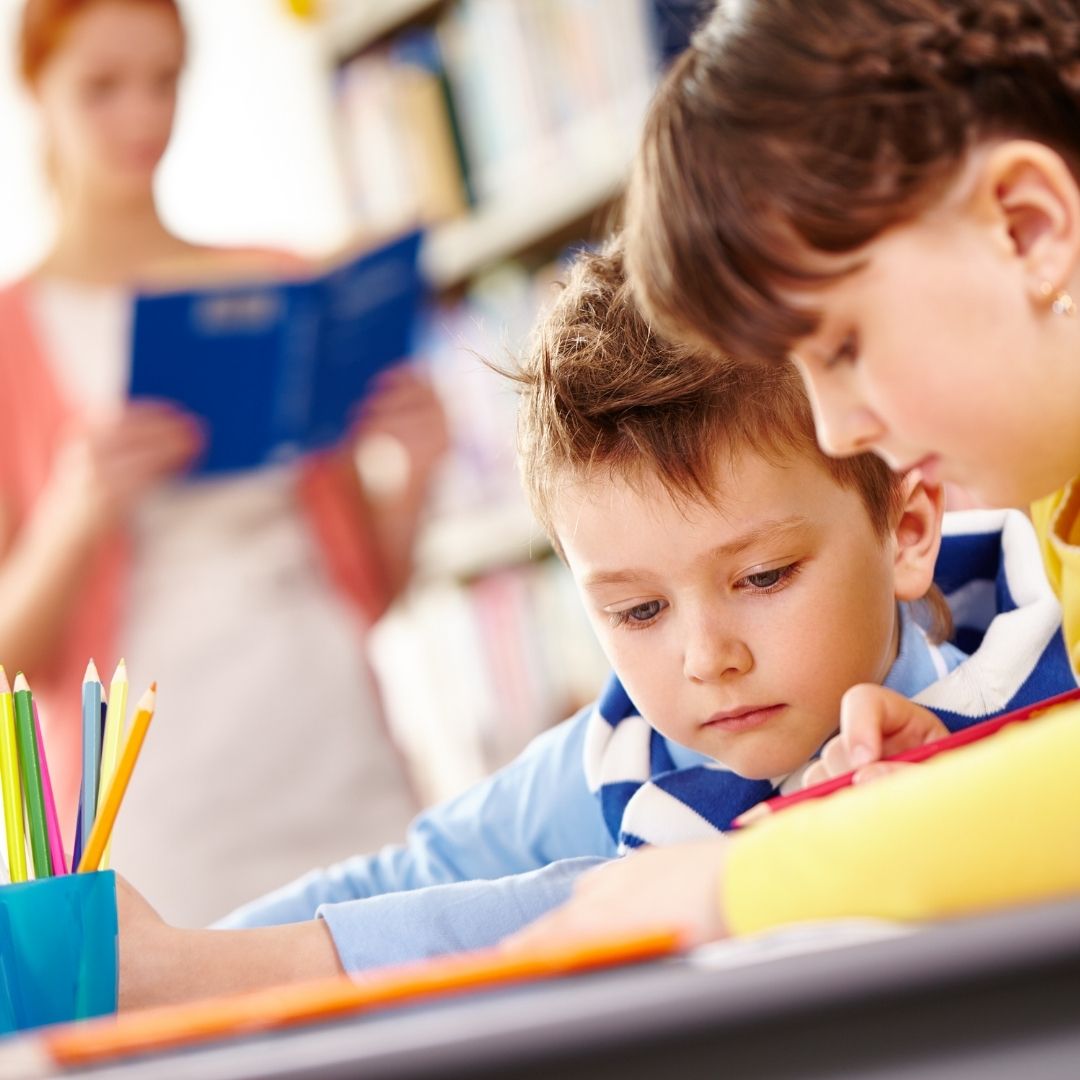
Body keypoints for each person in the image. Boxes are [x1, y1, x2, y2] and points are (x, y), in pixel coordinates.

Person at [115, 243, 1067, 1008]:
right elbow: (418, 873)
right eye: (638, 610)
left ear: (905, 530)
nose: (707, 659)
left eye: (765, 576)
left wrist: (202, 970)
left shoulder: (1016, 719)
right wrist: (179, 964)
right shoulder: (616, 750)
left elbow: (583, 916)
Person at [507, 0, 1080, 953]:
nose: (837, 426)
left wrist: (750, 882)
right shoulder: (1057, 500)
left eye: (845, 344)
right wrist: (959, 781)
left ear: (1024, 229)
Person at [0, 0, 447, 924]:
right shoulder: (12, 338)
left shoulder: (281, 283)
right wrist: (77, 513)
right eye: (102, 88)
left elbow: (369, 590)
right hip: (159, 798)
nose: (142, 119)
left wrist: (418, 473)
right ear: (33, 90)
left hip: (338, 748)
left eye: (164, 81)